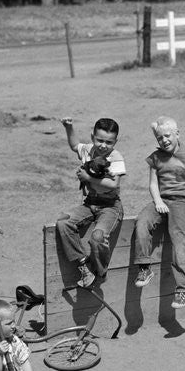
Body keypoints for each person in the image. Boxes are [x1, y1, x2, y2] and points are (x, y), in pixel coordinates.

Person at [132, 116, 185, 309]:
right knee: (142, 222)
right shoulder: (156, 158)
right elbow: (153, 183)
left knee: (178, 239)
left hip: (182, 202)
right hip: (161, 200)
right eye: (160, 138)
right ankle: (144, 267)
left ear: (177, 134)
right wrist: (157, 201)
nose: (164, 140)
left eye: (167, 136)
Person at [56, 116, 126, 289]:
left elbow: (113, 183)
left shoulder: (115, 157)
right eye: (100, 140)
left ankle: (100, 273)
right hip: (90, 203)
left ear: (115, 142)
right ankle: (83, 265)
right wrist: (69, 127)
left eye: (109, 142)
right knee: (63, 222)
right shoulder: (88, 150)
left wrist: (88, 178)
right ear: (93, 137)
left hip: (110, 206)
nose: (103, 145)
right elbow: (74, 146)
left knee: (98, 237)